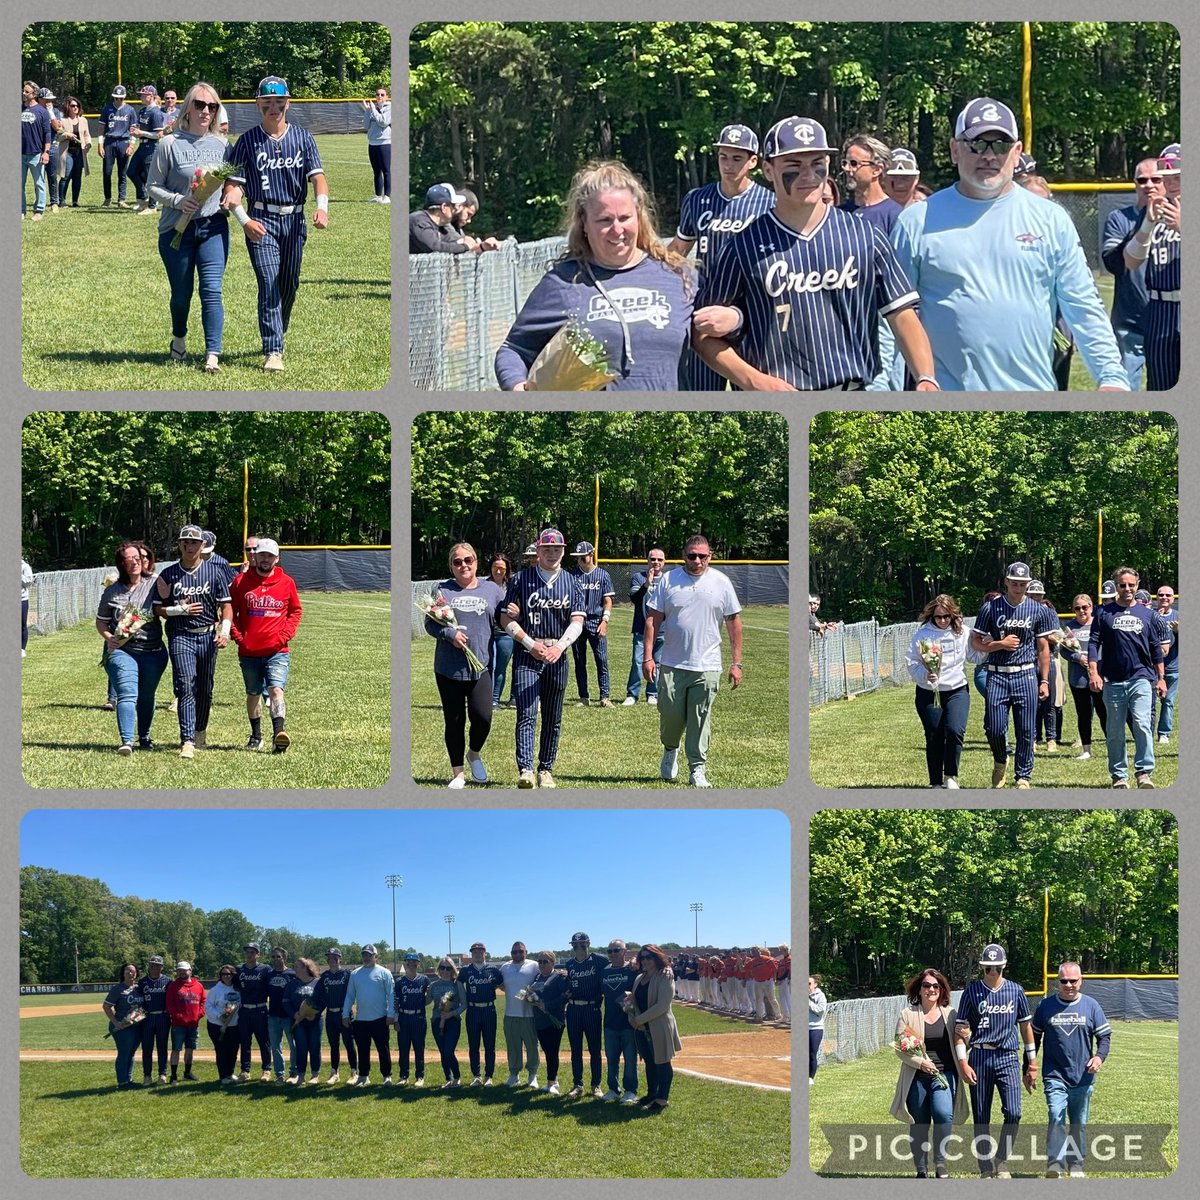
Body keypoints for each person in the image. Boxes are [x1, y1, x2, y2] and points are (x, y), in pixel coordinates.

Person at [890, 97, 1129, 391]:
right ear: (954, 149)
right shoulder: (916, 221)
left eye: (1001, 145)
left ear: (1016, 153)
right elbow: (893, 316)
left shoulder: (1051, 219)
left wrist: (1112, 377)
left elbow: (1083, 306)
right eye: (977, 144)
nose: (989, 155)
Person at [691, 116, 938, 392]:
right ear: (769, 170)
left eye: (817, 164)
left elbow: (902, 313)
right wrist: (754, 381)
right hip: (772, 411)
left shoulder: (865, 236)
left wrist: (926, 376)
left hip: (854, 403)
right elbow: (701, 334)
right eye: (794, 165)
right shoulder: (743, 246)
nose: (808, 175)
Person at [495, 160, 696, 390]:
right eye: (604, 220)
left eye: (625, 218)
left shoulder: (677, 276)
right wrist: (516, 387)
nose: (617, 230)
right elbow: (514, 349)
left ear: (639, 218)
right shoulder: (564, 282)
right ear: (584, 225)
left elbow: (715, 335)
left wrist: (735, 319)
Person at [221, 76, 329, 372]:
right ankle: (273, 351)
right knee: (269, 282)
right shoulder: (245, 141)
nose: (274, 107)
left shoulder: (304, 138)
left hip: (294, 220)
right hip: (261, 220)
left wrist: (322, 208)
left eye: (279, 102)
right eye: (267, 103)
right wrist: (244, 220)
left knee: (288, 284)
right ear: (258, 105)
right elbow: (232, 186)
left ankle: (278, 329)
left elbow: (317, 177)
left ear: (287, 103)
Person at [667, 123, 775, 389]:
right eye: (723, 157)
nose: (728, 165)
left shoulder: (769, 203)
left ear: (753, 161)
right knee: (702, 399)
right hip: (705, 306)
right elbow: (679, 250)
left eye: (737, 158)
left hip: (751, 310)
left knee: (751, 395)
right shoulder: (698, 199)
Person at [644, 534, 743, 788]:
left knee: (700, 719)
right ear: (683, 555)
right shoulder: (668, 580)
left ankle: (697, 768)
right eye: (692, 555)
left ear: (710, 556)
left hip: (708, 665)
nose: (697, 560)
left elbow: (733, 622)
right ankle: (669, 750)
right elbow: (653, 620)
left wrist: (736, 662)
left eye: (702, 556)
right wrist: (647, 657)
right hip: (672, 663)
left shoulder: (721, 582)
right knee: (671, 717)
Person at [147, 82, 232, 373]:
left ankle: (212, 354)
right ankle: (179, 337)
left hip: (213, 228)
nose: (206, 111)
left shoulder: (223, 146)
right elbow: (152, 186)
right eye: (199, 105)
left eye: (212, 107)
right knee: (182, 294)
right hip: (176, 231)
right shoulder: (168, 144)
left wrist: (230, 199)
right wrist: (178, 200)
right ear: (188, 108)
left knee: (212, 290)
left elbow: (232, 183)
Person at [499, 528, 586, 788]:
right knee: (526, 712)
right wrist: (528, 642)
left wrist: (559, 647)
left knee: (552, 716)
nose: (551, 553)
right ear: (537, 551)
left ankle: (546, 769)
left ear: (563, 551)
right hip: (528, 653)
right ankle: (525, 769)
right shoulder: (522, 579)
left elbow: (578, 620)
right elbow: (505, 617)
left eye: (556, 549)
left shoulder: (572, 582)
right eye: (546, 548)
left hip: (557, 655)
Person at [970, 561, 1059, 789]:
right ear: (1006, 582)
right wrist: (999, 644)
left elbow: (1043, 647)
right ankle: (1001, 761)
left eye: (1023, 584)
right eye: (1014, 583)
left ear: (1028, 584)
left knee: (1026, 729)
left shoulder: (1038, 610)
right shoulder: (991, 608)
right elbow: (975, 642)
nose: (1018, 587)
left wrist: (1045, 680)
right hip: (997, 673)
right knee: (994, 727)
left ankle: (1023, 776)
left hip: (1025, 674)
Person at [955, 943, 1037, 1179]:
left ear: (1003, 967)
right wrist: (963, 1063)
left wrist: (1031, 1064)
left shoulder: (1016, 991)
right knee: (981, 1115)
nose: (992, 972)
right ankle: (985, 1167)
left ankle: (1001, 1159)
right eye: (988, 968)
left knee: (1014, 1112)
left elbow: (1025, 1026)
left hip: (1007, 1055)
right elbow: (960, 1031)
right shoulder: (971, 992)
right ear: (982, 967)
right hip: (980, 1055)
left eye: (996, 968)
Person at [425, 541, 504, 786]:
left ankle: (474, 754)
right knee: (454, 720)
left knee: (483, 717)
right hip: (449, 668)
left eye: (468, 560)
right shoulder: (442, 590)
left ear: (476, 562)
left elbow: (504, 617)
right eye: (457, 562)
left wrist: (516, 613)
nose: (463, 565)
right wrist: (450, 636)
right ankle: (458, 773)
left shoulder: (492, 590)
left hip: (480, 666)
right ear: (451, 566)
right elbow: (430, 623)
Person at [153, 524, 232, 759]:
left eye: (194, 542)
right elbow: (158, 608)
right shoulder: (168, 574)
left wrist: (225, 631)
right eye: (185, 542)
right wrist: (180, 610)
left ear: (202, 545)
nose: (189, 546)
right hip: (181, 635)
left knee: (205, 689)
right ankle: (187, 740)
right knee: (186, 684)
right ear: (179, 544)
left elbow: (226, 606)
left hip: (207, 635)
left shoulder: (214, 572)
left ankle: (200, 731)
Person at [1087, 565, 1166, 788]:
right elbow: (1094, 644)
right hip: (1113, 681)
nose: (1127, 588)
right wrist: (1094, 672)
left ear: (1137, 585)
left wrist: (1160, 678)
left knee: (1142, 723)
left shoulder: (1148, 614)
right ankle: (1119, 775)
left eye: (1131, 584)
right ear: (1116, 587)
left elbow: (1156, 648)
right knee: (1114, 731)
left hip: (1141, 678)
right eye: (1123, 585)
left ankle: (1143, 772)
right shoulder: (1104, 613)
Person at [1031, 962, 1112, 1178]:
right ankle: (1055, 1164)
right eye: (1064, 981)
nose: (1068, 985)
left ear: (1081, 981)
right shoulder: (1045, 1007)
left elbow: (1104, 1037)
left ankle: (1075, 1163)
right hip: (1054, 1075)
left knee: (1079, 1123)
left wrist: (1099, 1057)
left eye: (1073, 981)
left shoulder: (1091, 1006)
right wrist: (1029, 1066)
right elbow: (1034, 1039)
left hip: (1083, 1077)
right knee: (1056, 1115)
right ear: (1057, 982)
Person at [891, 968, 968, 1178]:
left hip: (945, 1076)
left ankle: (940, 1163)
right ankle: (921, 1169)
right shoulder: (907, 1015)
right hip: (917, 1077)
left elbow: (961, 1045)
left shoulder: (951, 1014)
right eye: (927, 985)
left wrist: (967, 1037)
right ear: (919, 989)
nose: (931, 989)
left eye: (936, 985)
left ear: (942, 989)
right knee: (919, 1123)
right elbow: (901, 1048)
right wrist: (921, 1062)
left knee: (943, 1115)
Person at [229, 537, 302, 753]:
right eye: (261, 555)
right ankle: (256, 735)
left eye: (270, 556)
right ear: (254, 556)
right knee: (253, 693)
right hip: (249, 651)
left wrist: (284, 635)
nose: (265, 559)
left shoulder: (287, 582)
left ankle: (279, 734)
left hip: (277, 650)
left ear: (277, 558)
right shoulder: (241, 582)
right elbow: (230, 611)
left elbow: (295, 611)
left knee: (276, 689)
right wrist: (238, 637)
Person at [95, 541, 169, 754]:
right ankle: (126, 741)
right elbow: (101, 621)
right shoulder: (112, 591)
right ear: (121, 563)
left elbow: (167, 602)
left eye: (138, 558)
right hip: (121, 650)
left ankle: (144, 737)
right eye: (130, 560)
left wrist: (168, 593)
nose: (136, 563)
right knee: (127, 692)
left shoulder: (155, 582)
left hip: (152, 651)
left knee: (146, 696)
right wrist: (109, 637)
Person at [1102, 158, 1162, 389]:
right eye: (1142, 180)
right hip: (1129, 323)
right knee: (1125, 397)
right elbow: (1113, 264)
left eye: (1156, 179)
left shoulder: (1177, 219)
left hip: (1166, 323)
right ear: (1135, 184)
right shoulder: (1119, 219)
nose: (1149, 185)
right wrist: (1144, 222)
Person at [1125, 147, 1180, 390]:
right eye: (1166, 177)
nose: (1172, 183)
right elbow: (1131, 260)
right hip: (1159, 308)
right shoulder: (1153, 212)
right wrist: (1147, 222)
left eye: (1178, 176)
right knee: (1160, 384)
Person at [905, 594, 972, 788]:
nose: (942, 621)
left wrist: (987, 645)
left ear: (953, 615)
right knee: (934, 734)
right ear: (932, 616)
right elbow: (912, 662)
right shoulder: (922, 635)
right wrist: (925, 675)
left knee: (954, 730)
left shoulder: (963, 632)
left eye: (946, 617)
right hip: (928, 691)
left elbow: (975, 655)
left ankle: (950, 775)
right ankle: (935, 781)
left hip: (957, 689)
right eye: (938, 617)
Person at [626, 944, 681, 1112]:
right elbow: (634, 1001)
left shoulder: (665, 976)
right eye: (642, 957)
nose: (645, 961)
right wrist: (630, 1013)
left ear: (657, 957)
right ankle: (652, 1094)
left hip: (659, 1026)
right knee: (650, 1062)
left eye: (649, 957)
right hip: (641, 1028)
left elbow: (663, 1005)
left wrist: (639, 1019)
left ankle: (662, 1098)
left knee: (662, 1062)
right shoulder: (639, 978)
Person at [569, 541, 615, 707]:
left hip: (596, 621)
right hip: (577, 622)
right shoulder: (573, 575)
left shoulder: (603, 575)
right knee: (579, 660)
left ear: (591, 554)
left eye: (583, 556)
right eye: (578, 557)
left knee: (601, 660)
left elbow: (608, 600)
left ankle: (604, 696)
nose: (580, 559)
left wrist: (605, 620)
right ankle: (583, 696)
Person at [1061, 594, 1107, 760]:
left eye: (1084, 607)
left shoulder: (1099, 624)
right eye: (1077, 608)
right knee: (1084, 713)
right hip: (1078, 678)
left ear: (1091, 607)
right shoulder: (1069, 627)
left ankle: (1112, 746)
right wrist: (1077, 658)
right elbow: (1064, 650)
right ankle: (1086, 750)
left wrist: (1096, 663)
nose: (1081, 611)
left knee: (1104, 712)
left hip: (1099, 675)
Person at [342, 944, 395, 1086]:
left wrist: (391, 1014)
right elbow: (350, 995)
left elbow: (391, 994)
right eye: (364, 955)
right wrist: (345, 1014)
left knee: (383, 1049)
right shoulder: (355, 974)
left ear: (376, 956)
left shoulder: (384, 973)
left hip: (380, 1018)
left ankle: (386, 1076)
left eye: (369, 955)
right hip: (361, 1020)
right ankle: (364, 1076)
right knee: (363, 1049)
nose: (366, 957)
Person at [563, 931, 608, 1099]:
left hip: (592, 1009)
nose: (578, 947)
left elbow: (618, 965)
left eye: (582, 943)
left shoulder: (598, 960)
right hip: (574, 1009)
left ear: (588, 943)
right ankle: (578, 1084)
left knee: (595, 1049)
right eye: (575, 944)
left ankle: (596, 1085)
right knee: (575, 1050)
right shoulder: (570, 964)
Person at [623, 548, 666, 705]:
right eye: (653, 559)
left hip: (662, 629)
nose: (656, 562)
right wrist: (647, 583)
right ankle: (632, 694)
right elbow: (635, 598)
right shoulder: (638, 578)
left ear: (664, 562)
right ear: (647, 560)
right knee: (637, 660)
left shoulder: (667, 580)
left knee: (658, 662)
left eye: (659, 559)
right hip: (641, 628)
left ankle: (652, 693)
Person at [839, 134, 904, 234]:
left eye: (853, 163)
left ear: (877, 170)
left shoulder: (895, 216)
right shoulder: (841, 213)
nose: (846, 169)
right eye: (845, 163)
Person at [600, 940, 640, 1103]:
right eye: (609, 951)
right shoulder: (604, 972)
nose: (613, 954)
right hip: (610, 1022)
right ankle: (613, 1089)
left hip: (629, 1023)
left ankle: (630, 1090)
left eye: (616, 950)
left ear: (625, 952)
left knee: (630, 1059)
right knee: (612, 1059)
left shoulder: (632, 969)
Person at [1027, 580, 1064, 752]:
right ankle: (1033, 738)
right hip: (1027, 660)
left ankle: (1051, 739)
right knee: (1030, 702)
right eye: (1032, 595)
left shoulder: (1049, 612)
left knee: (1049, 702)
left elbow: (1057, 637)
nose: (1035, 598)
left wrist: (1043, 635)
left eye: (1038, 595)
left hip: (1047, 659)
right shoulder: (1023, 612)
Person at [460, 941, 503, 1086]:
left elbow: (503, 985)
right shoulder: (466, 970)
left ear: (485, 952)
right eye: (474, 951)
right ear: (471, 953)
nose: (477, 953)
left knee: (490, 1045)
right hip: (472, 1010)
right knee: (473, 1045)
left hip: (489, 1010)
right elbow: (457, 986)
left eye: (480, 951)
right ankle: (476, 1076)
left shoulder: (493, 970)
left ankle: (488, 1076)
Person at [310, 947, 356, 1084]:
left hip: (345, 1013)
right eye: (329, 958)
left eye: (335, 958)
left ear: (340, 959)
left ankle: (354, 1072)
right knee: (333, 1045)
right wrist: (312, 1009)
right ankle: (334, 1072)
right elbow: (317, 996)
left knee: (349, 1044)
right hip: (331, 1014)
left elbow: (353, 994)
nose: (332, 960)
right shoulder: (324, 976)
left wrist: (347, 1013)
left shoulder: (347, 974)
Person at [498, 941, 540, 1088]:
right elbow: (502, 986)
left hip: (529, 1015)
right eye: (514, 952)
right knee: (513, 1047)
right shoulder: (505, 967)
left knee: (532, 1046)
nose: (517, 954)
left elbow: (544, 979)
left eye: (520, 951)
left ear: (526, 952)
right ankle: (514, 1075)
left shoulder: (534, 966)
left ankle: (532, 1075)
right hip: (510, 1014)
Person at [529, 950, 569, 1095]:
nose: (542, 964)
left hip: (554, 1020)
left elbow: (565, 997)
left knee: (552, 1052)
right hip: (539, 1020)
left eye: (545, 961)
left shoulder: (558, 977)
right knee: (546, 1051)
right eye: (539, 961)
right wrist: (530, 998)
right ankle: (553, 1081)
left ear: (553, 962)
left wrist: (547, 1005)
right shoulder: (538, 976)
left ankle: (552, 1082)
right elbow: (533, 993)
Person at [103, 963, 146, 1088]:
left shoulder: (138, 989)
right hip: (122, 1026)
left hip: (136, 1026)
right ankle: (122, 1082)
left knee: (131, 1053)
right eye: (127, 971)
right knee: (124, 1053)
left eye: (132, 971)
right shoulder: (118, 989)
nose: (130, 973)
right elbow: (106, 1006)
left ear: (136, 973)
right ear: (123, 973)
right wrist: (116, 1022)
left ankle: (129, 1079)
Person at [235, 941, 272, 1082]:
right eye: (247, 952)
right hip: (244, 1010)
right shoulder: (239, 970)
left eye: (252, 952)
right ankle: (245, 1071)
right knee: (245, 1042)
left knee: (264, 1041)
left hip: (260, 1009)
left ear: (258, 954)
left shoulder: (265, 969)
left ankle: (266, 1070)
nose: (249, 955)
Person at [284, 957, 324, 1084]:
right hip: (298, 1021)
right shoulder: (292, 984)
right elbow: (285, 1001)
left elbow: (323, 1001)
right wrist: (293, 1014)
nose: (294, 968)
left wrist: (315, 1015)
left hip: (315, 1021)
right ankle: (300, 1076)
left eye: (297, 966)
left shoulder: (318, 982)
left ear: (306, 968)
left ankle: (314, 1075)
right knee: (301, 1048)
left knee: (314, 1047)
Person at [393, 952, 431, 1086]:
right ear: (406, 963)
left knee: (419, 1048)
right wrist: (396, 1020)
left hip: (419, 1017)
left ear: (418, 964)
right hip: (403, 1018)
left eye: (414, 962)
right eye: (409, 962)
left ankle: (419, 1076)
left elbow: (429, 998)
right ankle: (404, 1076)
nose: (412, 964)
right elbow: (396, 1003)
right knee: (403, 1049)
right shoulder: (399, 982)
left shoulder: (424, 980)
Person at [165, 960, 206, 1084]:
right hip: (178, 1024)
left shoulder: (198, 986)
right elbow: (169, 1004)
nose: (182, 973)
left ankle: (187, 1073)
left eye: (184, 970)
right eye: (179, 971)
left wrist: (199, 1014)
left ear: (190, 971)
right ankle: (173, 1075)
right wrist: (177, 1016)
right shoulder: (173, 985)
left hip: (193, 1024)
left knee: (190, 1049)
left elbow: (203, 1002)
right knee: (176, 1049)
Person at [428, 957, 467, 1088]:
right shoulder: (433, 986)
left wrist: (452, 1013)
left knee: (448, 1051)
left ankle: (456, 1077)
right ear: (438, 969)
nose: (445, 971)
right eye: (442, 968)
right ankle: (448, 1079)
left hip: (453, 1022)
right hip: (437, 1022)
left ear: (452, 969)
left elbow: (464, 1004)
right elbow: (426, 1001)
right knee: (442, 1052)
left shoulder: (457, 984)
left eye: (448, 968)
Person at [97, 84, 138, 209]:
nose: (118, 100)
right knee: (107, 172)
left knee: (122, 172)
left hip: (123, 142)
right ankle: (107, 198)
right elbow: (101, 128)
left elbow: (134, 129)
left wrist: (131, 144)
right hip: (109, 141)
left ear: (124, 98)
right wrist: (100, 144)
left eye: (120, 98)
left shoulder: (130, 110)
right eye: (116, 98)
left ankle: (121, 199)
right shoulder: (107, 109)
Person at [487, 552, 515, 710]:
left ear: (507, 570)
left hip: (506, 633)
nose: (498, 571)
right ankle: (486, 699)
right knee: (489, 665)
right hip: (488, 633)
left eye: (502, 568)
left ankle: (494, 700)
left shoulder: (512, 586)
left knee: (500, 667)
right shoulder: (483, 586)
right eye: (495, 567)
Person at [130, 86, 165, 213]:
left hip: (151, 147)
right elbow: (139, 129)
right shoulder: (143, 111)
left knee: (151, 176)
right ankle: (143, 197)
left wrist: (142, 133)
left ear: (152, 96)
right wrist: (135, 131)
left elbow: (158, 134)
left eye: (144, 95)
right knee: (131, 171)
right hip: (142, 145)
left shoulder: (156, 112)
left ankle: (152, 206)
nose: (141, 97)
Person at [205, 965, 242, 1084]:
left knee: (233, 1050)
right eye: (223, 974)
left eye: (228, 974)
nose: (226, 976)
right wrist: (219, 1016)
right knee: (221, 1051)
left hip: (234, 1025)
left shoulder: (237, 989)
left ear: (233, 975)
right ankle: (223, 1076)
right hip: (217, 1026)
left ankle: (230, 1073)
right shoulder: (215, 990)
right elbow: (208, 1006)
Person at [265, 946, 298, 1083]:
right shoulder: (269, 975)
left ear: (284, 958)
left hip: (288, 1016)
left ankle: (294, 1072)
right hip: (273, 1016)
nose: (275, 959)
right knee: (275, 1047)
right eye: (273, 957)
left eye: (278, 956)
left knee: (294, 1045)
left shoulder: (292, 974)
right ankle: (280, 1074)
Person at [138, 954, 171, 1084]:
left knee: (162, 1047)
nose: (154, 967)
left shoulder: (168, 981)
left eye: (157, 965)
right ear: (149, 965)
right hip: (147, 1017)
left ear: (162, 967)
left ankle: (162, 1074)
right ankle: (147, 1075)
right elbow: (138, 1002)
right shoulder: (142, 982)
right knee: (147, 1048)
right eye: (152, 964)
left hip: (163, 1016)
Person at [409, 182, 471, 252]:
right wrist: (464, 247)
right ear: (444, 207)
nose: (455, 209)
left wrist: (477, 245)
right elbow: (434, 247)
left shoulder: (441, 227)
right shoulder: (418, 220)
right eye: (453, 205)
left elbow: (453, 241)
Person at [20, 86, 52, 221]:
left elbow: (47, 133)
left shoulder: (42, 111)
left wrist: (46, 152)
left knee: (39, 183)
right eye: (23, 90)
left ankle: (39, 210)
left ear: (34, 94)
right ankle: (21, 210)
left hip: (36, 154)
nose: (23, 93)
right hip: (19, 154)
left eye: (26, 91)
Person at [1153, 584, 1179, 743]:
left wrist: (1178, 631)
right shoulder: (1150, 615)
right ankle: (1147, 731)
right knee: (1150, 702)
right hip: (1152, 667)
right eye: (1161, 595)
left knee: (1168, 701)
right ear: (1156, 598)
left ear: (1173, 598)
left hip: (1172, 667)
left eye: (1167, 595)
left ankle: (1163, 733)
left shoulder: (1179, 616)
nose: (1164, 598)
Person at [56, 96, 91, 208]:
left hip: (79, 153)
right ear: (68, 107)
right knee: (65, 176)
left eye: (77, 106)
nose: (75, 108)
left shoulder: (83, 120)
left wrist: (89, 144)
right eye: (72, 106)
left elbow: (87, 135)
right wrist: (67, 135)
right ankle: (62, 201)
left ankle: (75, 201)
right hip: (67, 153)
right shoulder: (63, 120)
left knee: (77, 177)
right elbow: (57, 137)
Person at [362, 87, 391, 203]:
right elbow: (366, 125)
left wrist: (373, 110)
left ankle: (387, 196)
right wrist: (368, 111)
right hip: (372, 143)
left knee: (386, 170)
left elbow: (383, 122)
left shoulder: (390, 108)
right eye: (377, 94)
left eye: (382, 95)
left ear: (387, 96)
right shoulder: (373, 108)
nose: (379, 97)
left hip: (385, 143)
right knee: (376, 171)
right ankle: (378, 195)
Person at [37, 90, 63, 214]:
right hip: (37, 147)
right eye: (47, 100)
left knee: (52, 176)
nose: (50, 102)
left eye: (51, 100)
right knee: (38, 177)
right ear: (40, 99)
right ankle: (39, 202)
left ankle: (54, 202)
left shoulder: (55, 111)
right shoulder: (35, 110)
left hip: (52, 147)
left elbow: (57, 128)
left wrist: (50, 112)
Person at [748, 946, 782, 1022]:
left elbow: (774, 969)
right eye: (753, 951)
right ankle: (759, 1016)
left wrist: (775, 979)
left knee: (772, 999)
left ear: (759, 951)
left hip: (768, 981)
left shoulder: (767, 959)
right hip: (757, 982)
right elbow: (745, 969)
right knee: (758, 999)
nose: (754, 952)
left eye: (756, 950)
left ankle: (778, 1015)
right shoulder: (752, 962)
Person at [808, 975, 827, 1084]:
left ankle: (810, 1077)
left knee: (812, 1053)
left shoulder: (820, 996)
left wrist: (808, 1003)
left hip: (815, 1028)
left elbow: (820, 1011)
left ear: (815, 984)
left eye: (809, 983)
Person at [21, 558, 33, 657]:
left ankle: (22, 648)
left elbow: (28, 582)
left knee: (22, 625)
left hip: (22, 600)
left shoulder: (25, 566)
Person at [776, 945, 791, 1024]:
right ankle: (785, 1016)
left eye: (782, 950)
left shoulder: (789, 959)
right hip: (781, 980)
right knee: (782, 998)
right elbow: (778, 971)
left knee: (788, 998)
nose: (781, 952)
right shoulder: (781, 960)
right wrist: (777, 979)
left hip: (786, 980)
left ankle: (791, 1017)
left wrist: (781, 979)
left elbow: (788, 971)